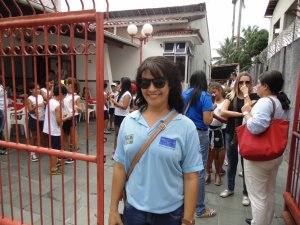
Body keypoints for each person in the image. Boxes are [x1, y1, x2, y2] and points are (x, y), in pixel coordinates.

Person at [108, 56, 202, 225]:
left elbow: (191, 177)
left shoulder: (186, 127)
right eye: (145, 83)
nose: (151, 88)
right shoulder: (129, 122)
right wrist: (113, 210)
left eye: (158, 82)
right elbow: (120, 166)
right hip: (133, 211)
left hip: (171, 215)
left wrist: (188, 220)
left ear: (171, 84)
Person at [241, 71, 290, 225]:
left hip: (259, 156)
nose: (256, 86)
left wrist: (246, 113)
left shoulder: (265, 102)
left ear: (266, 86)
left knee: (257, 197)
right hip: (274, 154)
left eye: (259, 84)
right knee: (268, 192)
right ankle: (264, 221)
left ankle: (259, 222)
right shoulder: (282, 102)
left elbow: (256, 127)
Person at [220, 72, 259, 206]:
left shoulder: (254, 96)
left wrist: (246, 94)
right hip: (231, 133)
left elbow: (250, 108)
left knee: (246, 166)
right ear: (237, 83)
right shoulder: (230, 96)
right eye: (241, 82)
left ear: (250, 83)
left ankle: (246, 193)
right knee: (232, 163)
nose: (244, 85)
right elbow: (223, 111)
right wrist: (241, 114)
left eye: (247, 82)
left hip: (247, 134)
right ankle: (230, 188)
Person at [182, 71, 215, 218]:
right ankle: (200, 209)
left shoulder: (184, 94)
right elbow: (207, 121)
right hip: (199, 134)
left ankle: (182, 203)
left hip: (183, 132)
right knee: (198, 171)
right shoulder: (205, 96)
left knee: (182, 167)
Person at [43, 85, 71, 175]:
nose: (63, 98)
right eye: (64, 95)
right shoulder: (57, 105)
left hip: (48, 129)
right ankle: (53, 169)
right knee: (54, 150)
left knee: (52, 148)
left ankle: (55, 163)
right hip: (54, 130)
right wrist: (67, 117)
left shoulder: (50, 101)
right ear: (60, 94)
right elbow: (59, 121)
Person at [206, 82, 227, 186]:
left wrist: (214, 115)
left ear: (219, 90)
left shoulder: (225, 102)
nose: (212, 94)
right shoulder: (208, 101)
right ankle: (208, 173)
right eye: (210, 92)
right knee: (208, 153)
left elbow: (226, 120)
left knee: (219, 154)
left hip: (220, 130)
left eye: (214, 92)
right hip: (208, 129)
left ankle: (218, 174)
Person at [110, 77, 132, 156]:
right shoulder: (121, 93)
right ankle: (115, 151)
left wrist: (115, 102)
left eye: (120, 83)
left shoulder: (127, 94)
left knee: (125, 135)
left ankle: (127, 152)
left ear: (124, 83)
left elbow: (125, 106)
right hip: (117, 115)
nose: (119, 84)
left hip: (124, 116)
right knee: (117, 135)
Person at [63, 78, 82, 161]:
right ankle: (67, 154)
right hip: (65, 117)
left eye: (67, 84)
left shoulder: (76, 97)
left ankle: (74, 153)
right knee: (65, 136)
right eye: (66, 84)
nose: (66, 85)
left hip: (72, 117)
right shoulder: (65, 95)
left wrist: (76, 107)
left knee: (73, 134)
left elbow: (80, 109)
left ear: (71, 85)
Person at [26, 82, 45, 162]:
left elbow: (44, 105)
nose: (38, 90)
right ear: (30, 90)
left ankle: (40, 148)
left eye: (38, 88)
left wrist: (45, 103)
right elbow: (30, 110)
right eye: (35, 89)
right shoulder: (29, 98)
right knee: (33, 135)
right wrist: (37, 106)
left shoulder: (41, 96)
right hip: (34, 119)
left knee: (41, 134)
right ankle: (32, 153)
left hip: (42, 118)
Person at [0, 79, 7, 155]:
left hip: (2, 109)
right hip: (0, 109)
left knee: (1, 129)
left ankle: (2, 145)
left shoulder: (1, 87)